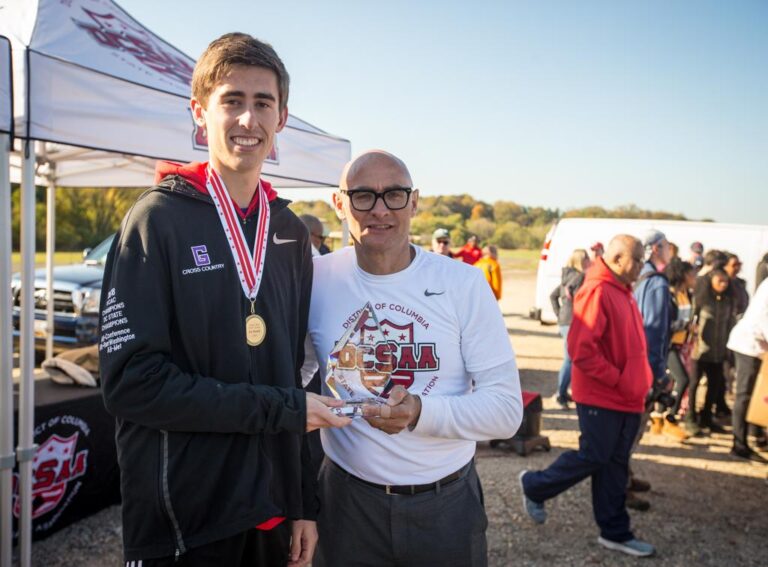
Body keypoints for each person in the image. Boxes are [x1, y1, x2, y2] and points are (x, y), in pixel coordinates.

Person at [99, 33, 349, 567]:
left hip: (272, 510)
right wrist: (279, 410)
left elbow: (300, 372)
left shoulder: (287, 230)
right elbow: (130, 384)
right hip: (185, 518)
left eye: (263, 103)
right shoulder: (156, 219)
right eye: (231, 100)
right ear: (199, 112)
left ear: (282, 118)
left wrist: (304, 500)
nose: (247, 120)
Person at [306, 150, 523, 566]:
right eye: (363, 195)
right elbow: (294, 376)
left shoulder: (462, 283)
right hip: (346, 504)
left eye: (395, 195)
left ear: (415, 201)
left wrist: (419, 411)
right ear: (340, 204)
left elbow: (506, 411)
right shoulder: (316, 279)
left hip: (445, 505)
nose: (380, 209)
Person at [520, 235, 655, 558]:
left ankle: (615, 532)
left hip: (626, 399)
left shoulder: (622, 289)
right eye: (637, 259)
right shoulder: (598, 290)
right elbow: (581, 351)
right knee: (595, 455)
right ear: (619, 258)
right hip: (602, 398)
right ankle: (534, 486)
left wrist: (642, 381)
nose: (641, 265)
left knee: (615, 464)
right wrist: (622, 381)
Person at [634, 231, 688, 442]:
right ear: (656, 248)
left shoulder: (639, 275)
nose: (670, 252)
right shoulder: (657, 282)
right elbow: (655, 329)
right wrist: (658, 373)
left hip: (635, 359)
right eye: (666, 246)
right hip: (646, 364)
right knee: (634, 428)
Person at [687, 269, 734, 435]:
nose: (723, 284)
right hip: (699, 352)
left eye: (726, 281)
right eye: (719, 280)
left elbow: (730, 324)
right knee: (693, 385)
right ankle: (690, 419)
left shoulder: (728, 301)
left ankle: (707, 418)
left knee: (714, 386)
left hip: (718, 352)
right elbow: (691, 322)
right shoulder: (701, 300)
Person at [726, 279, 768, 463]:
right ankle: (739, 444)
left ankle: (754, 433)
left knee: (753, 393)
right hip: (748, 344)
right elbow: (764, 318)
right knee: (744, 394)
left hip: (757, 344)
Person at [549, 248, 589, 410]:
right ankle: (560, 394)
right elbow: (581, 299)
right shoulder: (579, 277)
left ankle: (563, 393)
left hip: (566, 321)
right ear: (580, 261)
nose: (589, 261)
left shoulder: (566, 277)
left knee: (571, 358)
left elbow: (553, 296)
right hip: (573, 321)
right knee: (570, 358)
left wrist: (559, 315)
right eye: (586, 258)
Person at [664, 259, 697, 428]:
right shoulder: (669, 295)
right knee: (683, 379)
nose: (695, 277)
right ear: (683, 275)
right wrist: (685, 325)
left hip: (681, 344)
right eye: (692, 274)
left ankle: (663, 415)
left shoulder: (685, 294)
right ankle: (670, 415)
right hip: (668, 345)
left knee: (670, 381)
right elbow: (666, 324)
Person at [724, 252, 749, 318]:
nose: (737, 268)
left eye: (739, 264)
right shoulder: (723, 286)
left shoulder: (740, 284)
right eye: (734, 265)